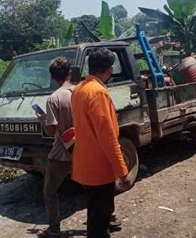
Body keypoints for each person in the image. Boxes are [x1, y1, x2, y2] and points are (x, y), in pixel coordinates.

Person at [71, 47, 130, 237]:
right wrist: (122, 170)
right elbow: (108, 137)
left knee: (96, 212)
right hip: (99, 168)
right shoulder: (98, 92)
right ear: (110, 68)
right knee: (99, 219)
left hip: (85, 164)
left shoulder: (79, 89)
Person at [35, 57, 74, 236]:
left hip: (61, 154)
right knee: (93, 188)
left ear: (52, 77)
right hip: (84, 150)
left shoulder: (54, 99)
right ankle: (107, 218)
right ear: (70, 72)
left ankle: (54, 228)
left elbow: (51, 131)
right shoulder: (81, 92)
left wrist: (43, 120)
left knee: (50, 192)